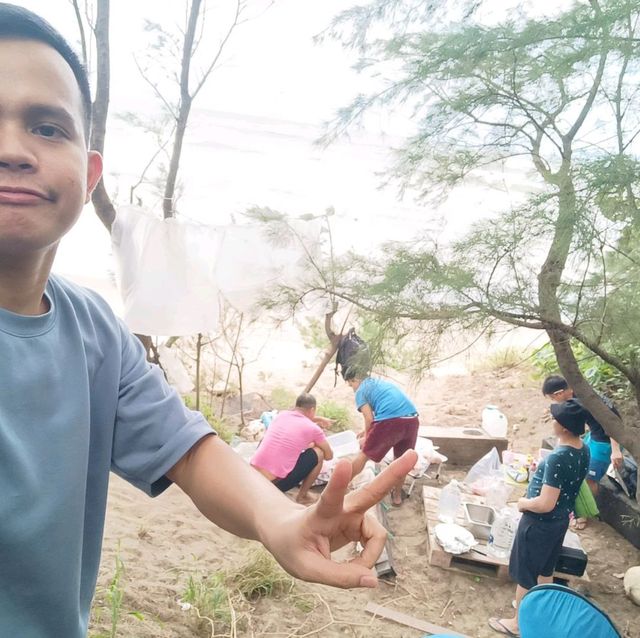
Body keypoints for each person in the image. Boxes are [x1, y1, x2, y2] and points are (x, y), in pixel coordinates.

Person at [0, 5, 417, 636]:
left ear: (88, 177)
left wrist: (281, 522)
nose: (12, 149)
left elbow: (188, 450)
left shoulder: (93, 329)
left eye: (46, 126)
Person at [489, 399, 590, 637]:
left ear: (563, 426)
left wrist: (523, 503)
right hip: (560, 521)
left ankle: (518, 624)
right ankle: (541, 612)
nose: (551, 420)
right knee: (545, 569)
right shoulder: (582, 449)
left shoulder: (558, 458)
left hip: (540, 522)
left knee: (526, 573)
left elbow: (545, 503)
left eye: (555, 418)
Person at [345, 372, 419, 505]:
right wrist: (367, 431)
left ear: (355, 380)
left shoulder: (361, 390)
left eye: (351, 385)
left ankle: (342, 486)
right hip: (411, 419)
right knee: (402, 460)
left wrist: (367, 438)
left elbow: (369, 418)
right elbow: (386, 407)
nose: (353, 389)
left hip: (390, 421)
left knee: (363, 454)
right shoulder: (380, 384)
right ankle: (397, 497)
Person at [542, 374, 623, 494]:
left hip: (605, 441)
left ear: (559, 393)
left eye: (553, 398)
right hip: (594, 434)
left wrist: (615, 450)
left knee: (589, 479)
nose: (555, 402)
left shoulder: (586, 399)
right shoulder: (578, 391)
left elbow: (614, 423)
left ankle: (590, 509)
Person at [251, 393, 334, 504]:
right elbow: (329, 456)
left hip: (252, 476)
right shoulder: (313, 429)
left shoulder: (281, 415)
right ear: (313, 409)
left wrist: (317, 419)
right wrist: (315, 443)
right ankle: (302, 496)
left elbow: (299, 420)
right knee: (319, 453)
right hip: (273, 485)